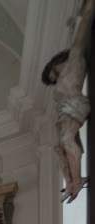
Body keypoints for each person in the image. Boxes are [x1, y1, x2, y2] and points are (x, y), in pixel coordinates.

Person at [41, 0, 94, 203]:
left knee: (66, 141)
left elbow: (80, 34)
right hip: (64, 111)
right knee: (59, 148)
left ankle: (78, 179)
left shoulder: (74, 59)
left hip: (75, 104)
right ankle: (70, 182)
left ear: (57, 64)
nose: (55, 79)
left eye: (54, 74)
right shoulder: (60, 79)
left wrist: (88, 9)